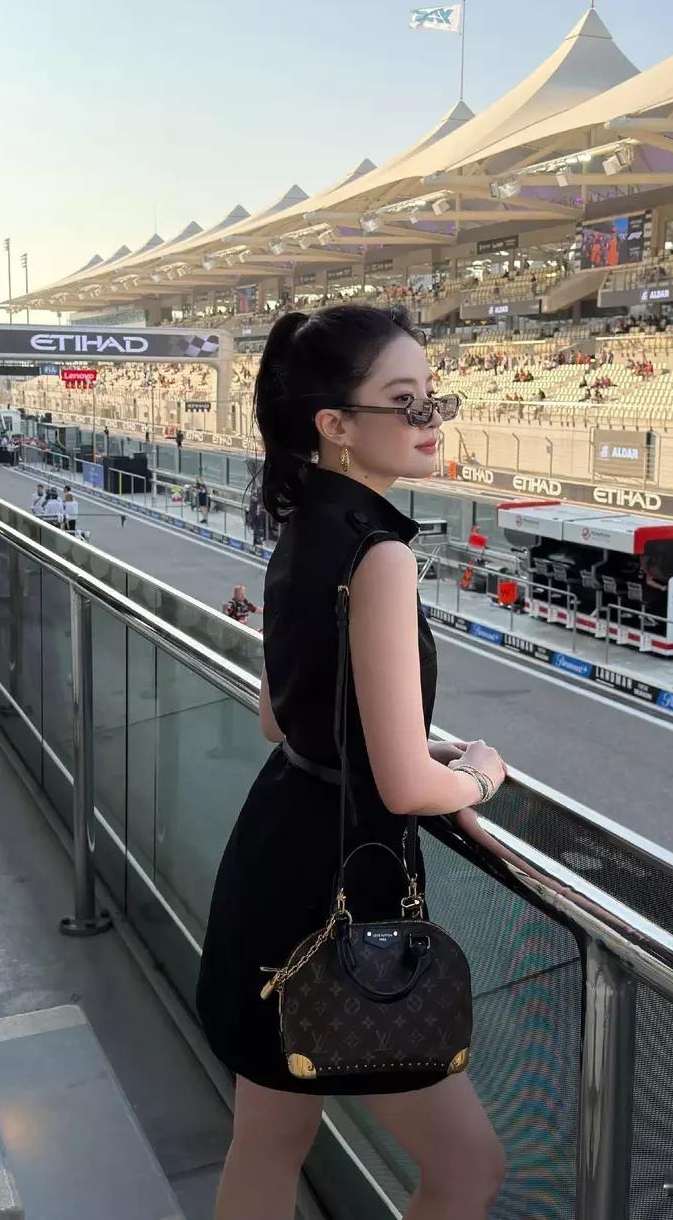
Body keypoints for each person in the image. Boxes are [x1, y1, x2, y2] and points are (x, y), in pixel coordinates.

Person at [198, 305, 507, 1220]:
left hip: (273, 861)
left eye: (434, 396)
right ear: (335, 423)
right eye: (405, 401)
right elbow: (407, 785)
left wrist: (406, 738)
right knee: (470, 1167)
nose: (431, 419)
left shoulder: (301, 527)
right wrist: (478, 773)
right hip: (342, 883)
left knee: (268, 1142)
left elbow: (280, 718)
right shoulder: (381, 556)